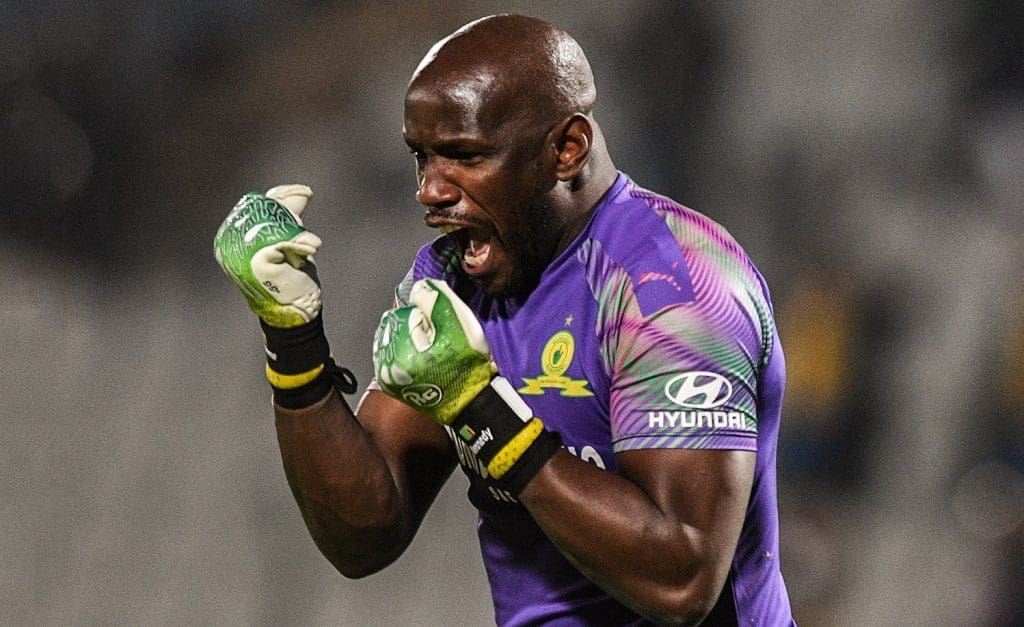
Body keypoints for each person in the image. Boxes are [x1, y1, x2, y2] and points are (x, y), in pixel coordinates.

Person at [214, 14, 794, 626]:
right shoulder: (452, 280)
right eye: (422, 157)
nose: (430, 191)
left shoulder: (673, 286)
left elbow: (682, 581)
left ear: (567, 150)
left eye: (464, 155)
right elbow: (363, 537)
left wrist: (481, 410)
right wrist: (294, 341)